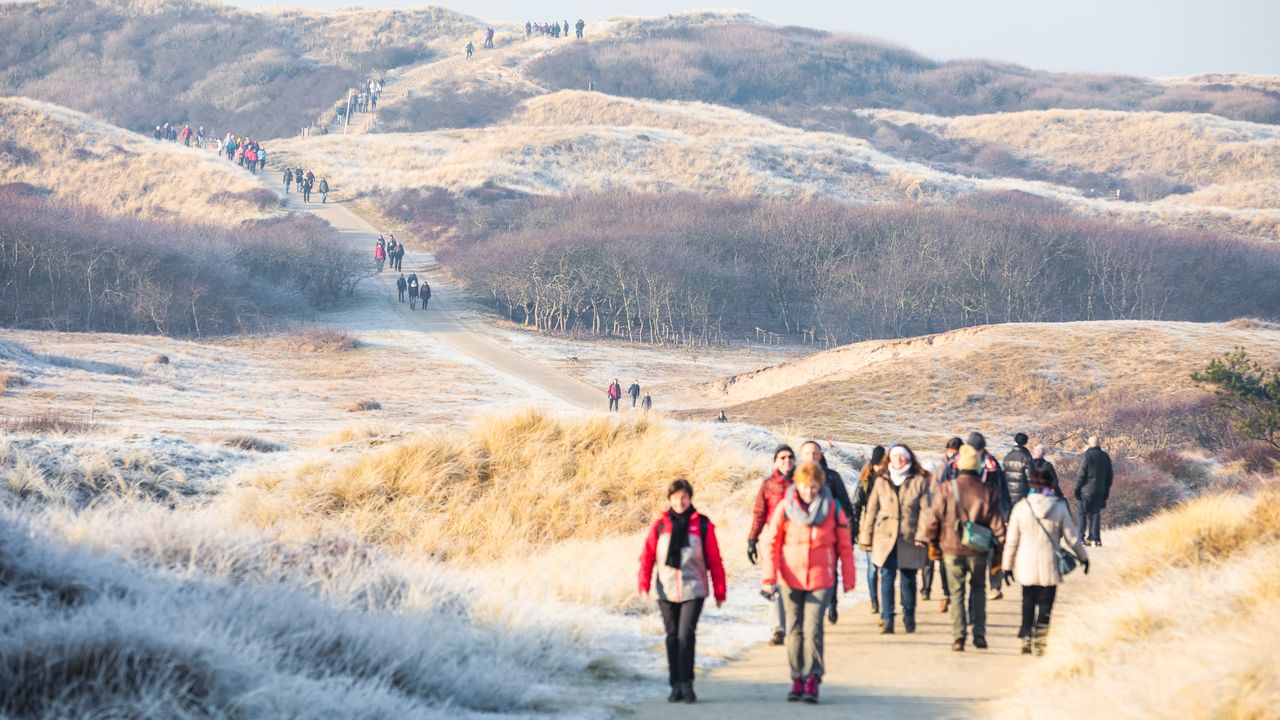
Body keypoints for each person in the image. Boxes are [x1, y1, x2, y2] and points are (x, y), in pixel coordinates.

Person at [761, 461, 856, 704]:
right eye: (805, 487)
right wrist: (769, 577)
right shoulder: (785, 507)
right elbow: (771, 544)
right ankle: (797, 677)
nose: (809, 491)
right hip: (790, 579)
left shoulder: (832, 508)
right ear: (797, 485)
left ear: (820, 486)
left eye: (814, 487)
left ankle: (813, 677)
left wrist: (848, 577)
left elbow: (844, 546)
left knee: (813, 628)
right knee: (794, 630)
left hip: (820, 579)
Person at [638, 479, 726, 704]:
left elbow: (714, 560)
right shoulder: (660, 525)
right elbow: (647, 556)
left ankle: (687, 684)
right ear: (670, 499)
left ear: (690, 498)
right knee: (672, 637)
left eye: (684, 496)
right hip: (666, 589)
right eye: (676, 497)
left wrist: (720, 590)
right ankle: (674, 684)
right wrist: (644, 583)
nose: (680, 501)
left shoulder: (702, 524)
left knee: (686, 635)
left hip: (694, 589)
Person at [917, 444, 1007, 651]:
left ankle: (959, 636)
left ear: (958, 465)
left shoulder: (946, 488)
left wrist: (933, 542)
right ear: (977, 466)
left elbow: (933, 520)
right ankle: (979, 633)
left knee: (956, 592)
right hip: (979, 549)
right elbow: (997, 524)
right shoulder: (988, 491)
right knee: (978, 589)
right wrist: (1000, 549)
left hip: (951, 548)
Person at [1002, 466, 1089, 655]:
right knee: (1045, 604)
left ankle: (1026, 635)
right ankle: (1040, 642)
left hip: (1026, 564)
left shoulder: (1021, 507)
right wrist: (1083, 557)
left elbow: (1011, 541)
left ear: (1031, 484)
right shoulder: (1058, 507)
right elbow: (1072, 537)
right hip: (1049, 563)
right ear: (1051, 484)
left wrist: (1007, 566)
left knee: (1028, 600)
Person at [860, 444, 930, 634]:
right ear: (889, 459)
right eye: (895, 457)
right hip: (885, 536)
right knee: (887, 577)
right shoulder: (882, 481)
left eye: (902, 457)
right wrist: (866, 536)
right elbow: (871, 509)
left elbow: (926, 511)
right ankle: (887, 618)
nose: (899, 460)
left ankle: (909, 615)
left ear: (909, 458)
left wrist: (922, 535)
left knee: (908, 579)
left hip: (910, 537)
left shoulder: (918, 481)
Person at [797, 440, 855, 624]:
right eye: (808, 453)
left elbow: (846, 508)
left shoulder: (832, 477)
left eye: (815, 453)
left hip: (828, 536)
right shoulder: (795, 478)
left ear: (821, 455)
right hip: (800, 537)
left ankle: (831, 604)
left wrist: (849, 535)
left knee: (829, 571)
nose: (812, 456)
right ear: (802, 456)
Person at [748, 445, 795, 646]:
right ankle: (777, 629)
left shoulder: (802, 482)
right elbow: (759, 513)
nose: (787, 460)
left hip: (797, 541)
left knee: (794, 584)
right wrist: (752, 539)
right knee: (774, 584)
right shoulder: (768, 485)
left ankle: (796, 625)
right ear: (775, 461)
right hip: (773, 540)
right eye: (782, 457)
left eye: (790, 457)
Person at [965, 432, 1011, 600]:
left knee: (995, 549)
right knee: (974, 549)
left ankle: (994, 586)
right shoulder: (963, 462)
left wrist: (1005, 512)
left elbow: (1002, 488)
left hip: (990, 513)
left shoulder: (992, 464)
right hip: (972, 513)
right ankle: (977, 583)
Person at [922, 438, 960, 612]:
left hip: (959, 520)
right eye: (951, 450)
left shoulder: (963, 469)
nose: (953, 454)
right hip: (943, 519)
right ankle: (947, 592)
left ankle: (954, 591)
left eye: (956, 451)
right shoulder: (940, 469)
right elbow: (931, 495)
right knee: (944, 558)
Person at [856, 446, 886, 615]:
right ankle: (874, 600)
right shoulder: (865, 480)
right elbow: (857, 504)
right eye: (877, 465)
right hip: (869, 528)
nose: (879, 468)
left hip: (887, 528)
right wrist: (855, 527)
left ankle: (884, 599)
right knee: (872, 567)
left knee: (885, 567)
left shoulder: (890, 479)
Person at [1075, 436, 1114, 546]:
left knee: (1082, 513)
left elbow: (1081, 474)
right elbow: (1110, 475)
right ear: (1099, 443)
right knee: (1095, 513)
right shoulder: (1105, 456)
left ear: (1089, 444)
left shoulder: (1087, 456)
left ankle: (1081, 538)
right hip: (1100, 489)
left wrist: (1077, 488)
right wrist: (1106, 488)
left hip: (1086, 490)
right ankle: (1095, 538)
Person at [1003, 433, 1035, 510]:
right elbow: (1030, 477)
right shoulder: (1026, 457)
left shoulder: (1007, 457)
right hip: (1022, 493)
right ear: (1025, 442)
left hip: (1008, 492)